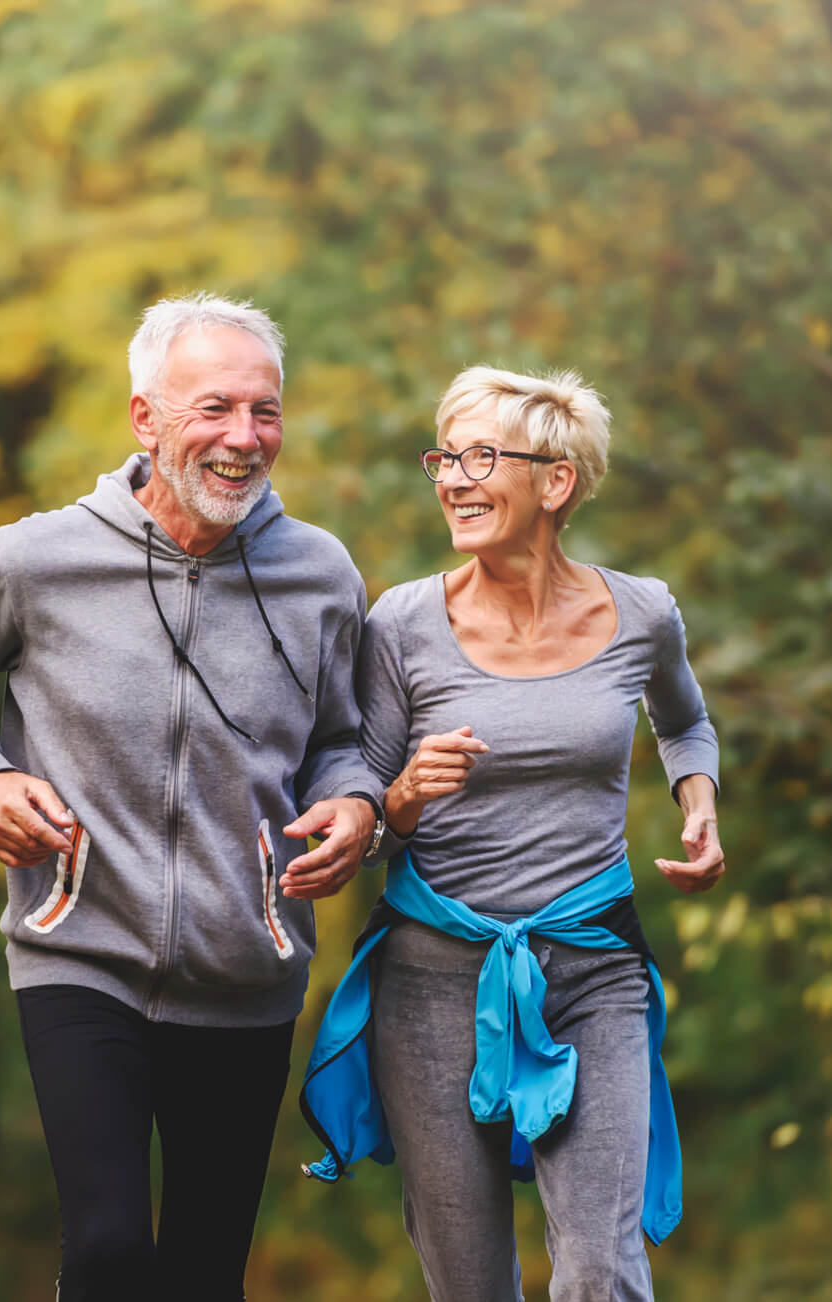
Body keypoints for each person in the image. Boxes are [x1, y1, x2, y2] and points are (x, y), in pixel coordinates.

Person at [0, 293, 386, 1301]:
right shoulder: (37, 559)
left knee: (204, 1270)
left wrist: (357, 804)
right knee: (110, 1248)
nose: (244, 437)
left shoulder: (320, 574)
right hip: (78, 951)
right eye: (215, 409)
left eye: (265, 411)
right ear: (145, 419)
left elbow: (346, 738)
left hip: (248, 967)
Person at [300, 366, 724, 1302]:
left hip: (593, 968)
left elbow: (685, 722)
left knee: (601, 1269)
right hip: (431, 981)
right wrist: (405, 793)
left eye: (481, 457)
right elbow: (367, 819)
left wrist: (698, 801)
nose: (453, 478)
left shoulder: (642, 612)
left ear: (556, 481)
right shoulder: (402, 622)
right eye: (444, 459)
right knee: (470, 1283)